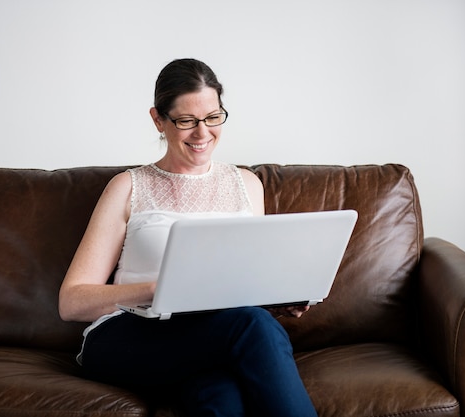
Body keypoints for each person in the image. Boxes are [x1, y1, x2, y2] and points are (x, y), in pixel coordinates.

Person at [58, 58, 318, 417]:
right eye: (186, 121)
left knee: (223, 398)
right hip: (131, 334)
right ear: (158, 120)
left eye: (213, 117)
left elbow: (246, 280)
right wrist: (163, 288)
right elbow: (72, 303)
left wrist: (273, 298)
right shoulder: (128, 187)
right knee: (253, 325)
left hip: (210, 338)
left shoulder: (246, 185)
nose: (202, 133)